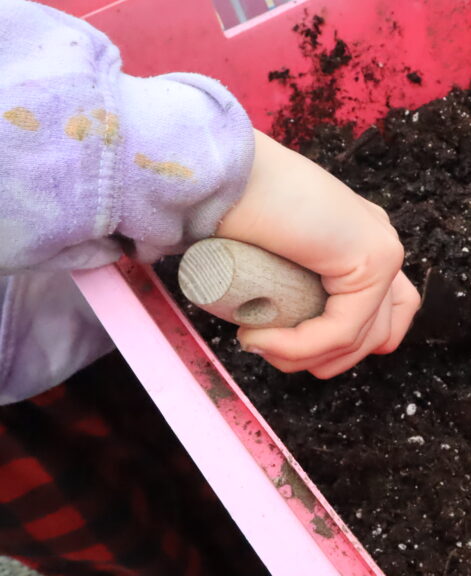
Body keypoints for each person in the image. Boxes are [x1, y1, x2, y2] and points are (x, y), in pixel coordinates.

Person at [0, 0, 420, 572]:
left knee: (197, 470)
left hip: (64, 310)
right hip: (17, 435)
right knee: (136, 545)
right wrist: (194, 171)